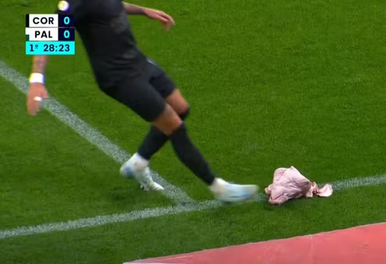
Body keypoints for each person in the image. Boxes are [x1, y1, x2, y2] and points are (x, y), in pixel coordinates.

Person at [26, 0, 258, 203]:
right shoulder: (73, 2)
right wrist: (37, 80)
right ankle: (219, 188)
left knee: (181, 108)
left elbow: (113, 5)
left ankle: (138, 163)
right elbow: (47, 30)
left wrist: (143, 10)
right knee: (174, 125)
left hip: (137, 62)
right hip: (118, 77)